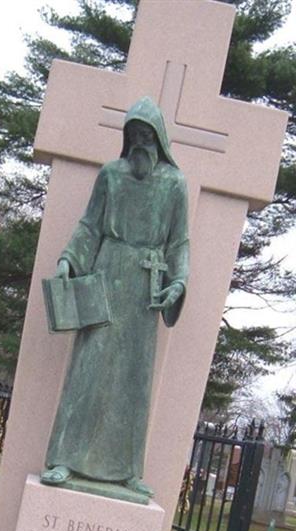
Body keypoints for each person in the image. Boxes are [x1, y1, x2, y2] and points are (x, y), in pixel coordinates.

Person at [41, 96, 189, 497]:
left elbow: (179, 243)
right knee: (87, 371)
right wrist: (69, 261)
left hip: (145, 289)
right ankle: (65, 459)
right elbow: (89, 225)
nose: (140, 141)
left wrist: (178, 282)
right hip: (106, 276)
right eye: (134, 134)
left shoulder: (175, 184)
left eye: (147, 134)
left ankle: (126, 470)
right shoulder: (110, 174)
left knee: (133, 379)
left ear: (159, 138)